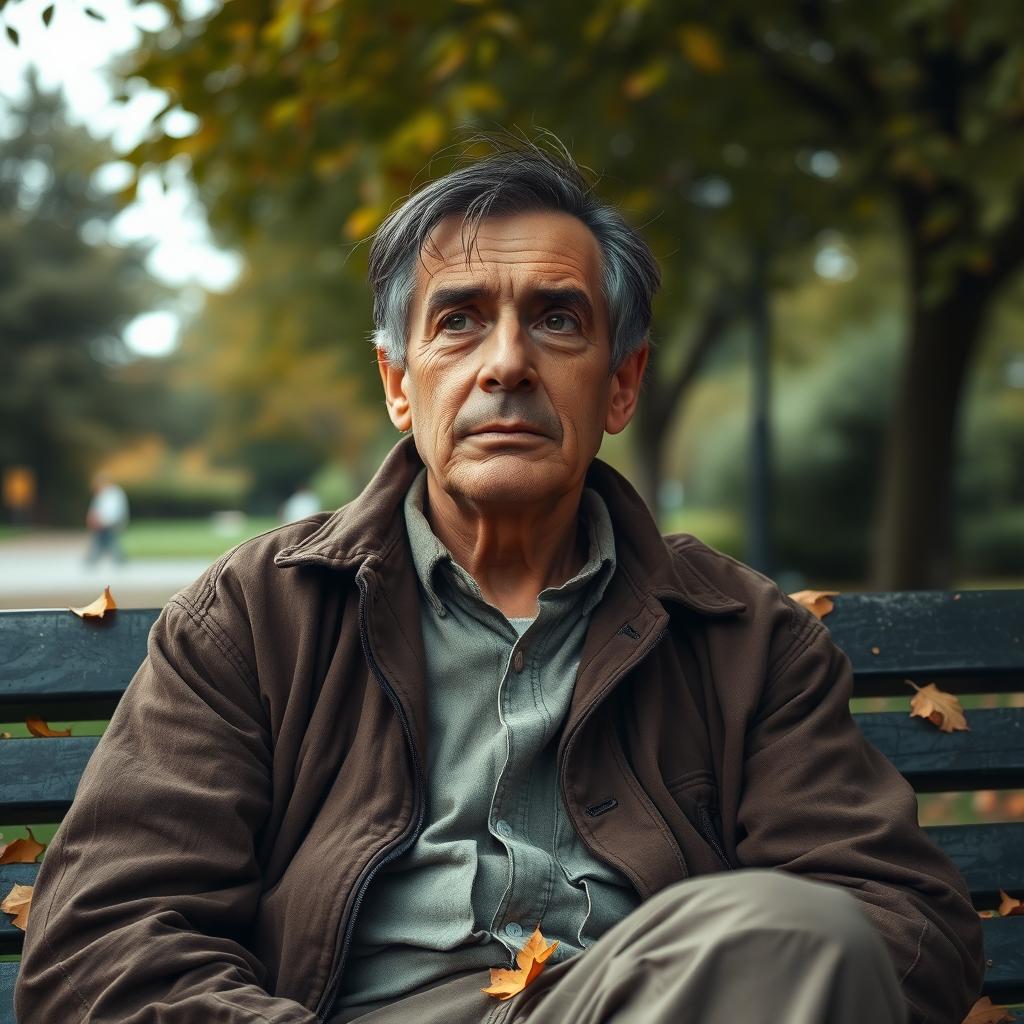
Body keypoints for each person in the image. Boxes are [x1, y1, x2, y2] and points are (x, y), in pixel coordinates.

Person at [16, 139, 983, 1024]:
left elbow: (903, 924)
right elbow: (103, 943)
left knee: (789, 932)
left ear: (621, 383)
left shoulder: (741, 635)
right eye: (460, 322)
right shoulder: (258, 616)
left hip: (659, 999)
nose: (508, 363)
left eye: (558, 321)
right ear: (400, 382)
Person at [83, 472, 129, 565]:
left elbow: (112, 512)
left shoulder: (113, 493)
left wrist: (101, 520)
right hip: (105, 522)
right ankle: (94, 559)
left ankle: (94, 559)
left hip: (110, 522)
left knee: (108, 541)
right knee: (105, 541)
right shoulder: (103, 493)